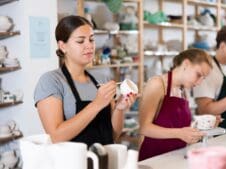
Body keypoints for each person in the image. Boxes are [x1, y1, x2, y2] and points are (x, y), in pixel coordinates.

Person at [34, 15, 137, 146]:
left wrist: (120, 109)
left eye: (91, 40)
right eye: (80, 41)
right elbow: (55, 136)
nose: (89, 46)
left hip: (103, 160)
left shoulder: (102, 79)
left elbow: (112, 136)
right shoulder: (51, 81)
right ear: (62, 46)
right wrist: (97, 104)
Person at [139, 48, 213, 161]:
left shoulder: (183, 89)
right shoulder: (157, 84)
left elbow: (176, 125)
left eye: (203, 79)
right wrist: (180, 133)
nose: (199, 83)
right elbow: (144, 128)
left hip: (176, 157)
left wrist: (204, 125)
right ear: (186, 64)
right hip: (154, 159)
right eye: (198, 75)